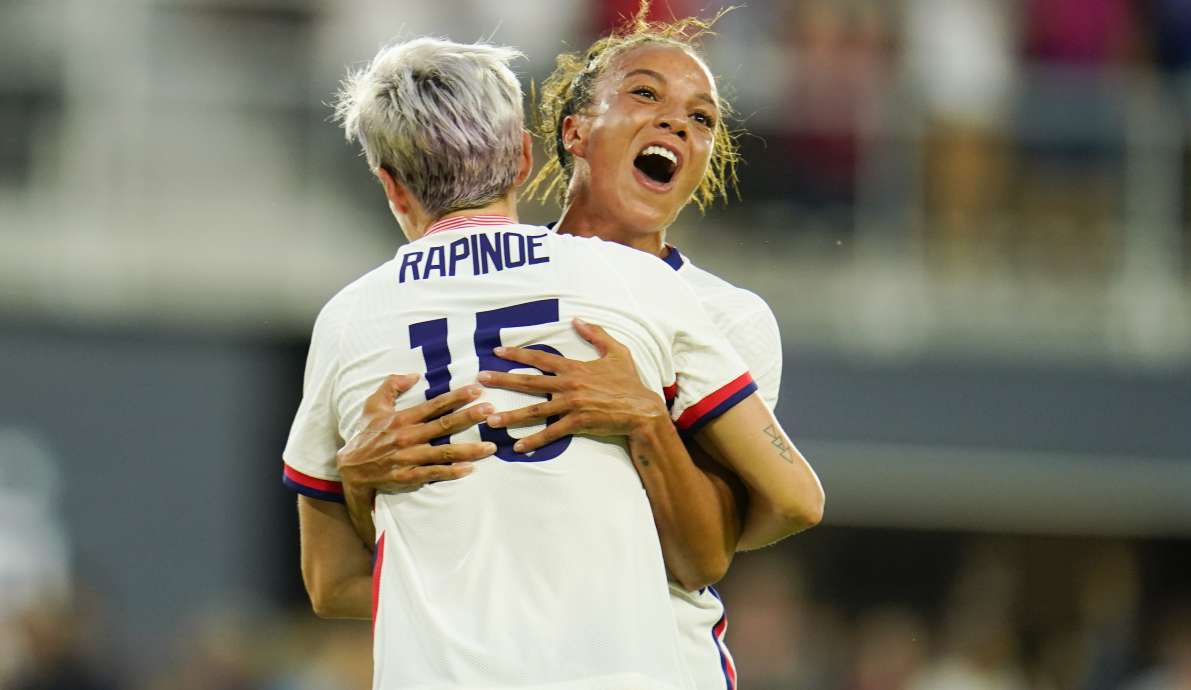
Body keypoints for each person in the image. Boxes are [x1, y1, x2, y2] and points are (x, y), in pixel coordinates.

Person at [282, 33, 822, 690]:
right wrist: (366, 484)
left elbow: (702, 555)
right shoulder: (607, 287)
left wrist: (648, 420)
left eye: (701, 117)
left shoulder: (727, 315)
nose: (675, 121)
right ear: (562, 136)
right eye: (644, 93)